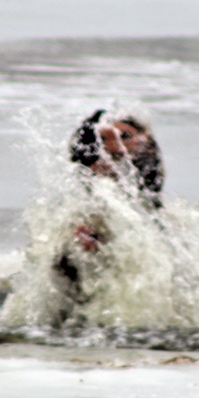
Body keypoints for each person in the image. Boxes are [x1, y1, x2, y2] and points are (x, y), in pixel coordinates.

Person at [54, 109, 165, 291]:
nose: (116, 146)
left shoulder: (167, 216)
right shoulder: (80, 215)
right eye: (102, 140)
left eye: (124, 136)